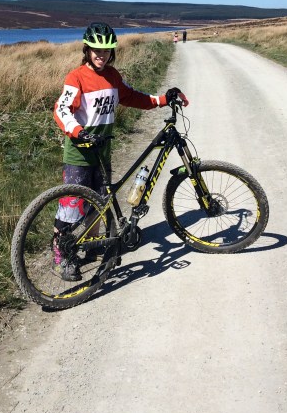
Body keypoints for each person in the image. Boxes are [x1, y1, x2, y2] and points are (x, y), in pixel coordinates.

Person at [52, 22, 188, 281]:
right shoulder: (76, 77)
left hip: (102, 151)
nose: (100, 55)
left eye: (106, 51)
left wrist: (162, 99)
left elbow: (131, 96)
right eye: (96, 50)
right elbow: (61, 109)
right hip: (79, 154)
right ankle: (63, 257)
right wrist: (78, 131)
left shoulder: (113, 76)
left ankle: (91, 250)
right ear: (87, 49)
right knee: (71, 207)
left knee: (98, 205)